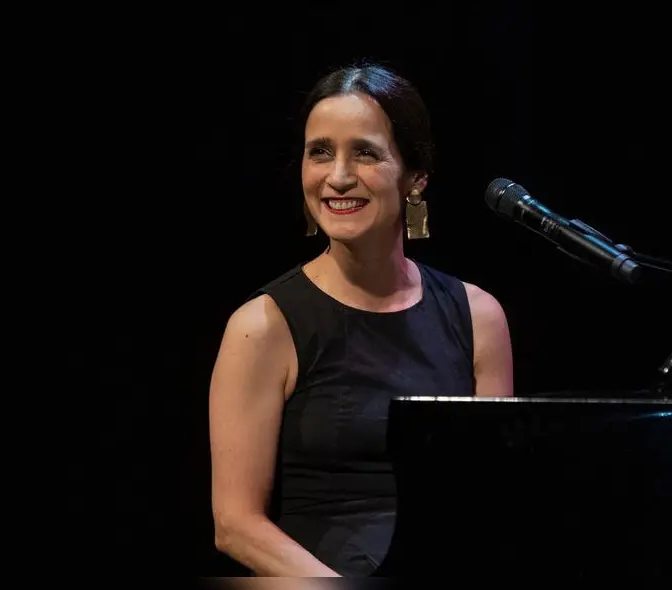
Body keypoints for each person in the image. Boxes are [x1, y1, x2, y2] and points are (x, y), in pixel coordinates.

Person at [207, 62, 515, 577]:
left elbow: (492, 496)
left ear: (416, 178)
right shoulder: (262, 326)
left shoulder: (478, 316)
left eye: (366, 153)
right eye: (320, 152)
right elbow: (236, 524)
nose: (339, 176)